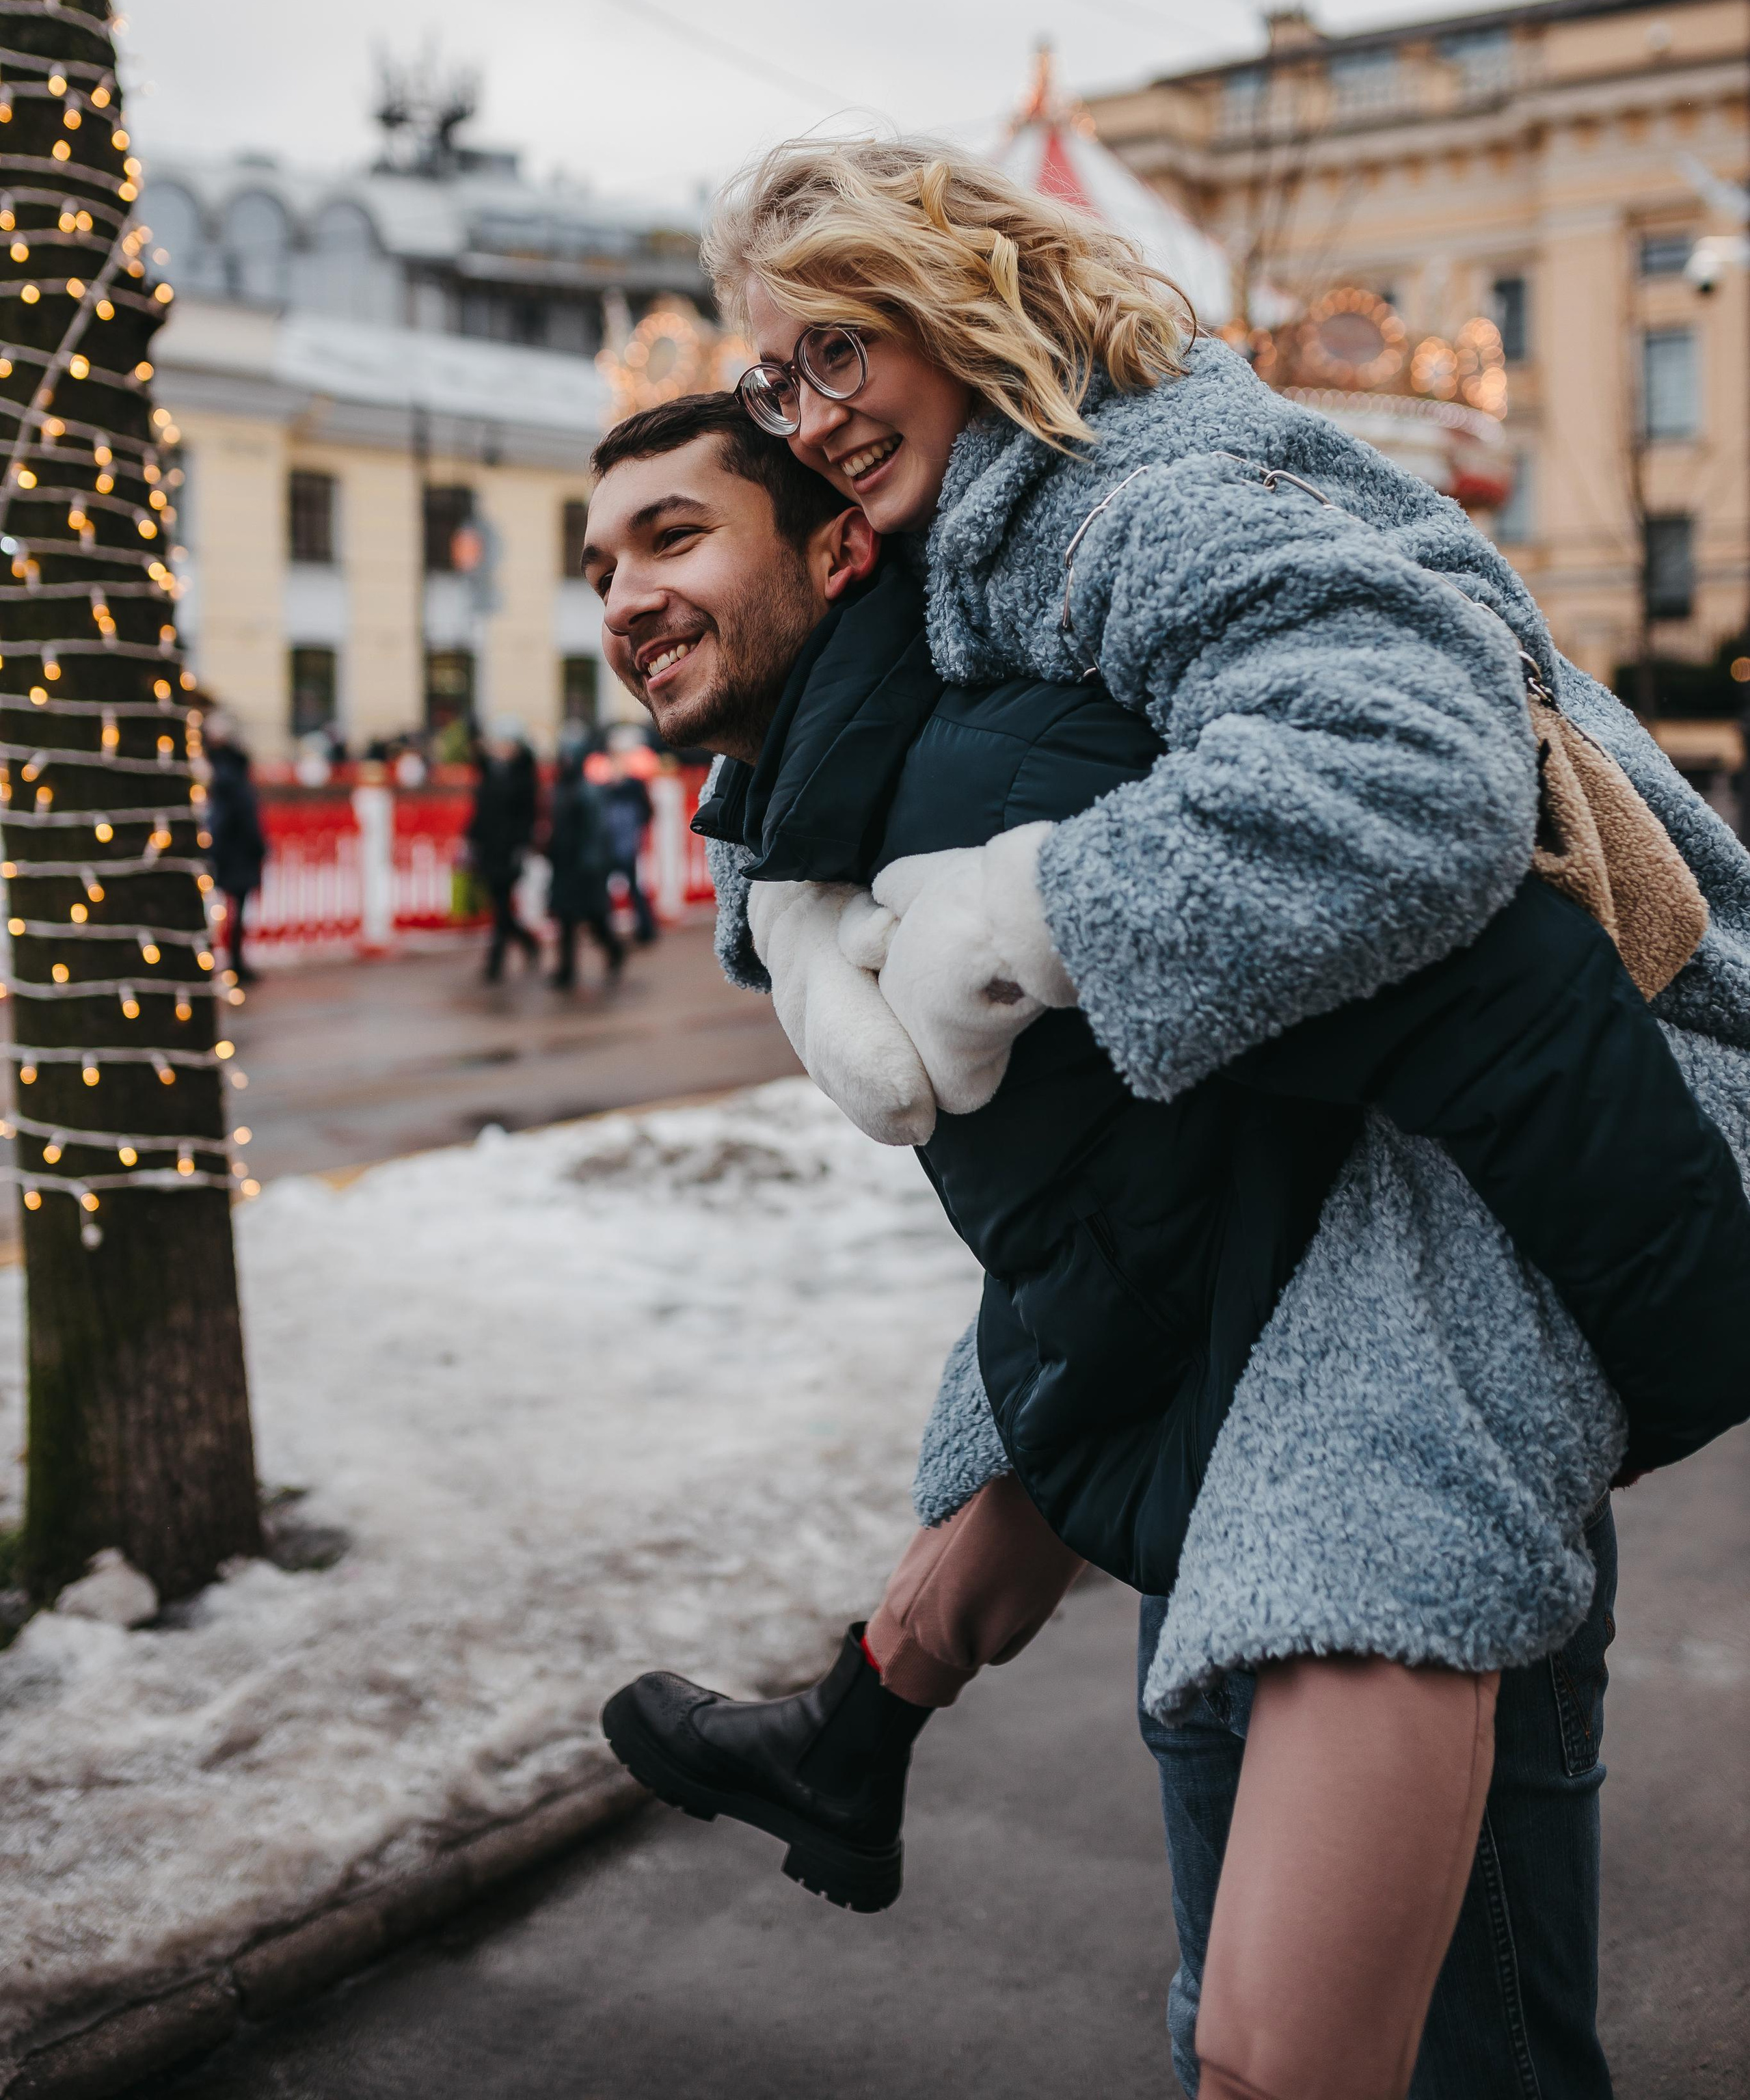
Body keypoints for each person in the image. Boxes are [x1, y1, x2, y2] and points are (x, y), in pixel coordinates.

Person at [581, 389, 1750, 2090]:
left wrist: (1685, 1347)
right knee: (1257, 2026)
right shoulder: (844, 812)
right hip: (1239, 1483)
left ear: (842, 546)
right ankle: (849, 1735)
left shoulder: (992, 768)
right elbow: (1152, 1185)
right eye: (598, 559)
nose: (620, 595)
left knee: (1421, 2060)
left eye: (674, 536)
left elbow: (1501, 984)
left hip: (1382, 1511)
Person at [546, 732, 625, 987]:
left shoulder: (588, 792)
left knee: (595, 919)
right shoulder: (559, 789)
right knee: (566, 919)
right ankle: (566, 970)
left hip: (585, 867)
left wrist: (592, 863)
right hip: (565, 865)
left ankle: (614, 950)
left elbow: (597, 829)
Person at [468, 716, 541, 981]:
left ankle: (494, 964)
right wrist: (471, 840)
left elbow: (527, 817)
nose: (501, 748)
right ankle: (528, 942)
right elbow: (481, 811)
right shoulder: (493, 772)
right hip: (488, 849)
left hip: (509, 851)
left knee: (501, 908)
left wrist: (521, 849)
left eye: (506, 743)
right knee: (501, 907)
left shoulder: (523, 776)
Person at [203, 712, 266, 985]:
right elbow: (240, 815)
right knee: (229, 912)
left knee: (227, 911)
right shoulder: (230, 777)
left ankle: (230, 962)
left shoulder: (221, 772)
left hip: (230, 850)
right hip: (235, 850)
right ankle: (233, 963)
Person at [601, 751, 659, 946]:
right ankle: (642, 929)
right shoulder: (612, 790)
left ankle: (644, 929)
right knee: (631, 888)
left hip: (623, 845)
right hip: (618, 845)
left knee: (631, 888)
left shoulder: (615, 791)